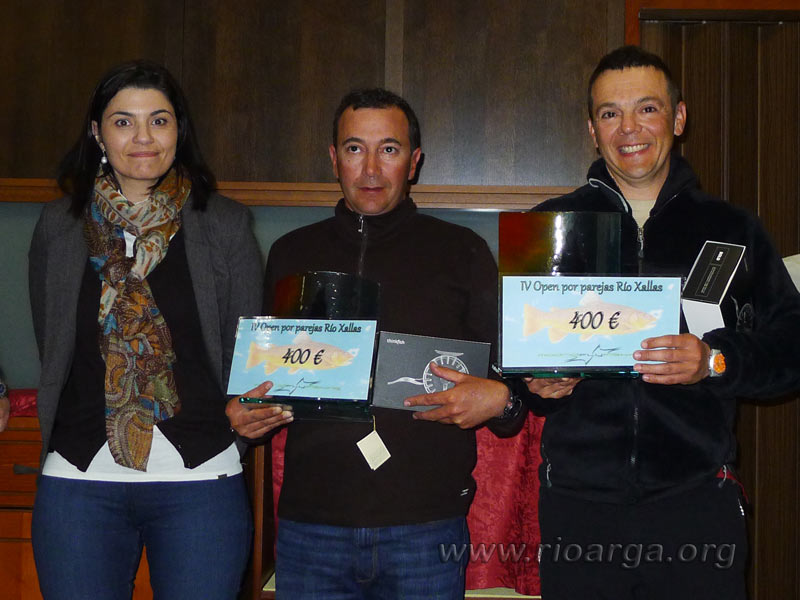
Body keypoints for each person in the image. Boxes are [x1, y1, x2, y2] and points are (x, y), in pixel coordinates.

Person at [521, 46, 800, 599]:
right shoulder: (548, 227)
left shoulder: (733, 228)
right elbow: (507, 355)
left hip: (696, 503)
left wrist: (716, 360)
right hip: (580, 507)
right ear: (591, 129)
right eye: (609, 113)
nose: (629, 128)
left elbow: (791, 347)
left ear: (677, 117)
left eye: (646, 109)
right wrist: (535, 383)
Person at [226, 88, 521, 599]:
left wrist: (501, 399)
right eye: (354, 148)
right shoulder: (290, 254)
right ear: (333, 158)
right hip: (311, 526)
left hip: (426, 528)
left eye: (389, 149)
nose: (370, 168)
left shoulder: (462, 252)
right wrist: (245, 415)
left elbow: (510, 386)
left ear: (414, 162)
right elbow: (260, 382)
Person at [28, 60, 263, 600]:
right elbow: (54, 339)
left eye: (158, 121)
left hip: (200, 478)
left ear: (179, 129)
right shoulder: (60, 226)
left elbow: (244, 348)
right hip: (79, 479)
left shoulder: (224, 223)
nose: (142, 137)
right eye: (123, 121)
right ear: (97, 132)